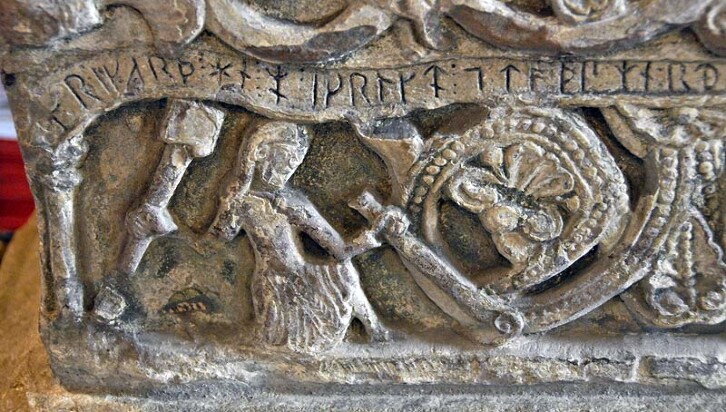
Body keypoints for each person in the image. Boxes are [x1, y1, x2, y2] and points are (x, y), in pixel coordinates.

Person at [208, 120, 394, 353]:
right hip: (274, 287)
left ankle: (375, 328)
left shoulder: (292, 203)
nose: (289, 169)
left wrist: (368, 238)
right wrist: (230, 202)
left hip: (305, 280)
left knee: (343, 270)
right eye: (285, 159)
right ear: (261, 152)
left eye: (294, 163)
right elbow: (222, 235)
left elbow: (339, 250)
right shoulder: (242, 200)